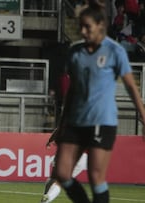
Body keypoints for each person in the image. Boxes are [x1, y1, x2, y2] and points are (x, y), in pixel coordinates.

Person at [52, 1, 145, 203]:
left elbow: (131, 87)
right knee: (61, 171)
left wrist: (144, 117)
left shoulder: (114, 51)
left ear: (100, 25)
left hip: (102, 121)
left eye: (88, 27)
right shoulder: (75, 52)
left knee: (96, 177)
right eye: (81, 27)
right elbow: (73, 91)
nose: (83, 31)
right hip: (76, 121)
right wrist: (61, 124)